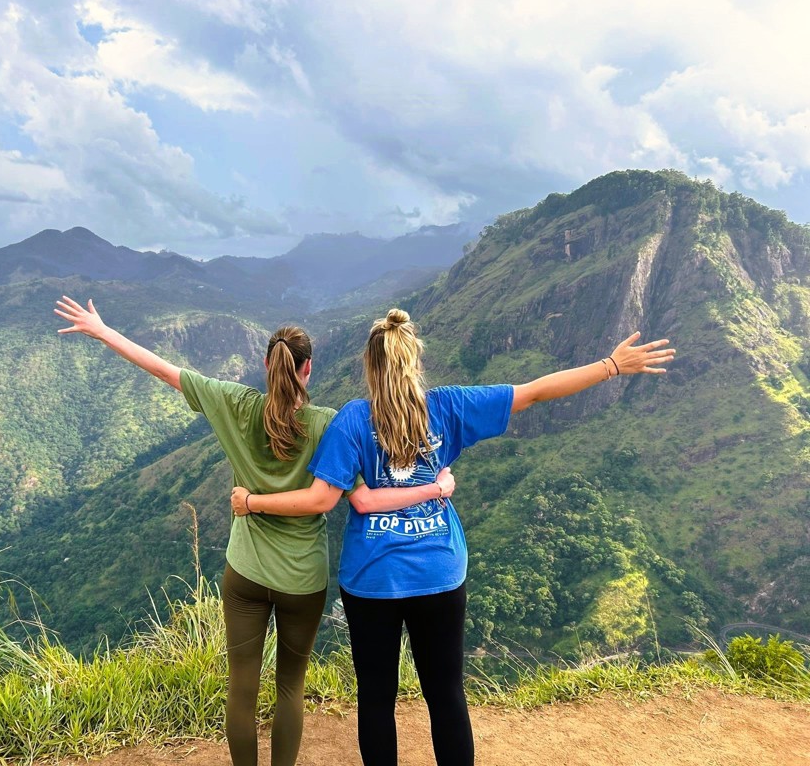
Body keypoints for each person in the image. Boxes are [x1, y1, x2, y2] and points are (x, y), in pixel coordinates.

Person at [232, 308, 675, 766]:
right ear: (414, 363)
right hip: (439, 572)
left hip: (372, 579)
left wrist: (252, 502)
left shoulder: (352, 420)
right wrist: (611, 366)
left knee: (377, 700)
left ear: (370, 365)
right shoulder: (447, 407)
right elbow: (535, 393)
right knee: (445, 696)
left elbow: (323, 497)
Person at [53, 297, 456, 766]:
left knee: (241, 687)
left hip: (245, 573)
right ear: (307, 370)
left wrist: (103, 331)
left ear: (267, 365)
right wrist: (434, 486)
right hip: (302, 579)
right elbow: (365, 495)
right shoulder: (330, 425)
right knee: (290, 687)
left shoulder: (237, 406)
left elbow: (165, 370)